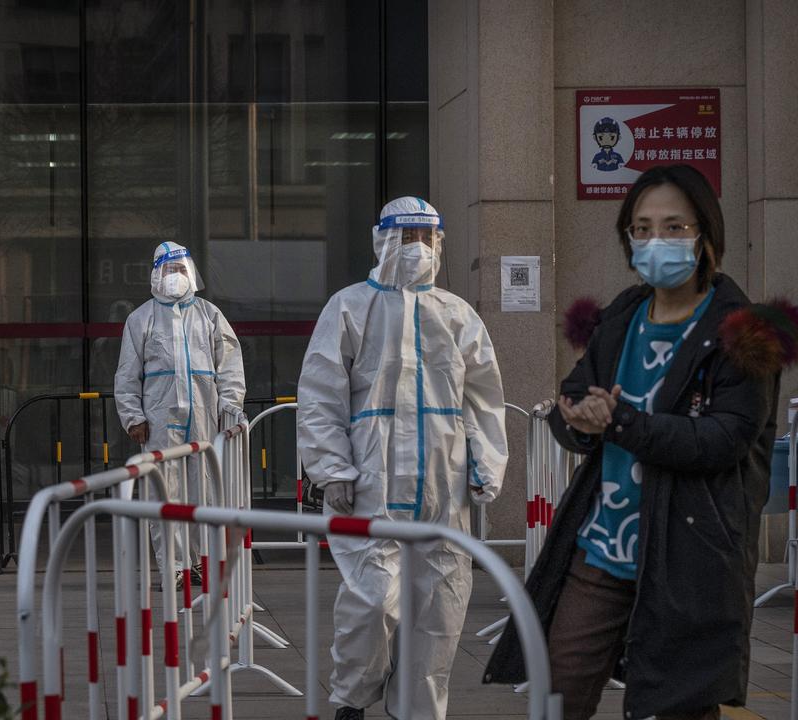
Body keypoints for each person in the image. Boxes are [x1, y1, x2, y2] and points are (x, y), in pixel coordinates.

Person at [485, 165, 795, 719]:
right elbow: (578, 394)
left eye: (675, 227)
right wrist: (577, 417)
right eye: (643, 227)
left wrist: (622, 422)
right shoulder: (625, 312)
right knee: (558, 689)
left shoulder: (742, 333)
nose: (658, 241)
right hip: (605, 545)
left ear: (705, 237)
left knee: (678, 704)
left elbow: (724, 439)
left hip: (690, 555)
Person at [298, 196, 508, 720]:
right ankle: (352, 695)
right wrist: (331, 468)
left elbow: (483, 397)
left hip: (444, 480)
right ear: (381, 241)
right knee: (371, 601)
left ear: (439, 244)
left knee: (440, 606)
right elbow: (321, 393)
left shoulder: (457, 314)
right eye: (404, 236)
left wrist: (486, 464)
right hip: (371, 479)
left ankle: (416, 708)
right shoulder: (349, 306)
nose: (415, 248)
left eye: (425, 237)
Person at [114, 242, 246, 584]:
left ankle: (200, 562)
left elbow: (229, 367)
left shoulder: (209, 314)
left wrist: (230, 408)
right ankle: (173, 568)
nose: (176, 276)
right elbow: (128, 373)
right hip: (159, 419)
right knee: (164, 493)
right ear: (157, 274)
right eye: (169, 270)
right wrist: (133, 417)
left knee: (204, 492)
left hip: (204, 417)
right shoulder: (140, 318)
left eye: (180, 269)